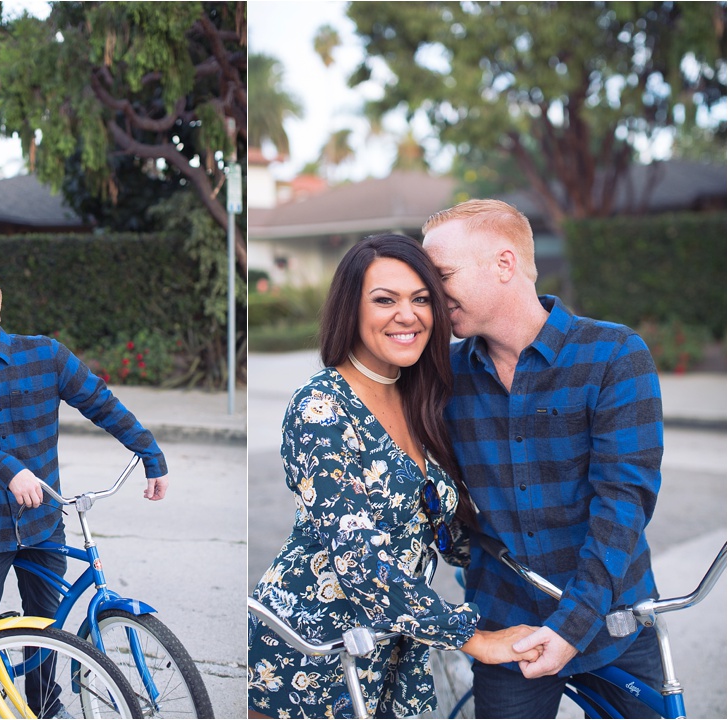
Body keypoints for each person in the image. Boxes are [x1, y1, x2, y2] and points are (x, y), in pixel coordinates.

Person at [247, 235, 542, 719]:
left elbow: (445, 531)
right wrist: (476, 640)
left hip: (394, 643)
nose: (408, 315)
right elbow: (360, 560)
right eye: (385, 299)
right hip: (314, 646)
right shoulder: (321, 407)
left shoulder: (420, 398)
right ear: (351, 309)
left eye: (421, 299)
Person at [421, 199, 666, 718]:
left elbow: (624, 502)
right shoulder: (443, 375)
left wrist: (572, 625)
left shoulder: (615, 355)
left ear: (504, 265)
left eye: (442, 274)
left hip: (614, 619)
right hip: (507, 627)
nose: (430, 292)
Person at [0, 270, 169, 715]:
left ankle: (44, 707)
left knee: (47, 633)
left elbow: (101, 403)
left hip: (43, 524)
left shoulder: (45, 355)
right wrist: (8, 468)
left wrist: (149, 452)